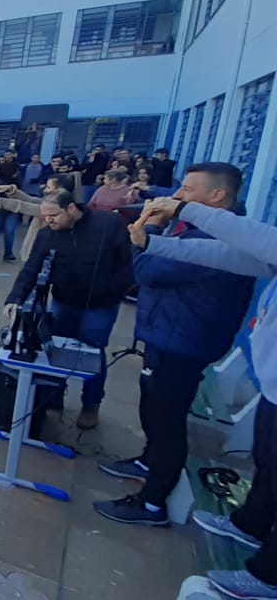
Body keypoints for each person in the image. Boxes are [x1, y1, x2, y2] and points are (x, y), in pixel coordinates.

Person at [133, 196, 277, 600]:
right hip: (272, 386)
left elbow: (258, 239)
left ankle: (268, 578)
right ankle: (251, 524)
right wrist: (153, 244)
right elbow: (228, 254)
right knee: (267, 462)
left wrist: (184, 209)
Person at [96, 164, 256, 526]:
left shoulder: (217, 240)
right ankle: (149, 460)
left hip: (184, 342)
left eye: (187, 189)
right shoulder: (195, 228)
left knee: (165, 420)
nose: (177, 195)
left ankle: (152, 503)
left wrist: (148, 233)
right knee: (152, 408)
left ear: (217, 196)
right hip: (169, 334)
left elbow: (150, 273)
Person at [3, 192, 133, 430]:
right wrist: (14, 299)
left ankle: (91, 403)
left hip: (101, 305)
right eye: (45, 217)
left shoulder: (109, 224)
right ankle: (54, 396)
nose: (49, 221)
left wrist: (116, 290)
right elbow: (31, 269)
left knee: (93, 353)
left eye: (53, 216)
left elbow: (128, 261)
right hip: (63, 301)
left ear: (72, 208)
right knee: (55, 351)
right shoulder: (47, 235)